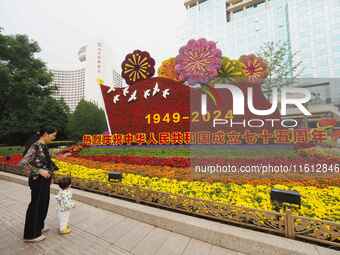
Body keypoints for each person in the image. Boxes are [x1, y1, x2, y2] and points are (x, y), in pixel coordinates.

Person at [19, 128, 59, 242]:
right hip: (37, 181)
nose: (54, 138)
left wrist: (50, 175)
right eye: (53, 135)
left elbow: (46, 162)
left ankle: (39, 226)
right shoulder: (35, 146)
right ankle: (31, 235)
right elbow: (23, 163)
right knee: (36, 205)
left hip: (44, 181)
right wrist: (39, 171)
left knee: (43, 203)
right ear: (46, 134)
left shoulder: (44, 146)